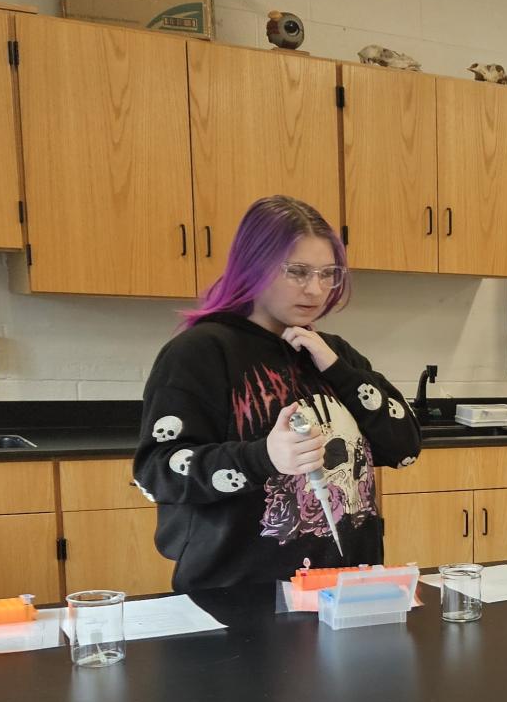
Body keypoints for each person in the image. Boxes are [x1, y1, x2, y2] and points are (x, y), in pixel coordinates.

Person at [134, 196, 421, 589]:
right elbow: (157, 472)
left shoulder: (333, 353)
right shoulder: (200, 352)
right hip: (240, 598)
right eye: (298, 272)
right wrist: (262, 457)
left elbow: (403, 447)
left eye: (327, 274)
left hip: (344, 592)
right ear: (254, 267)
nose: (315, 289)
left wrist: (338, 369)